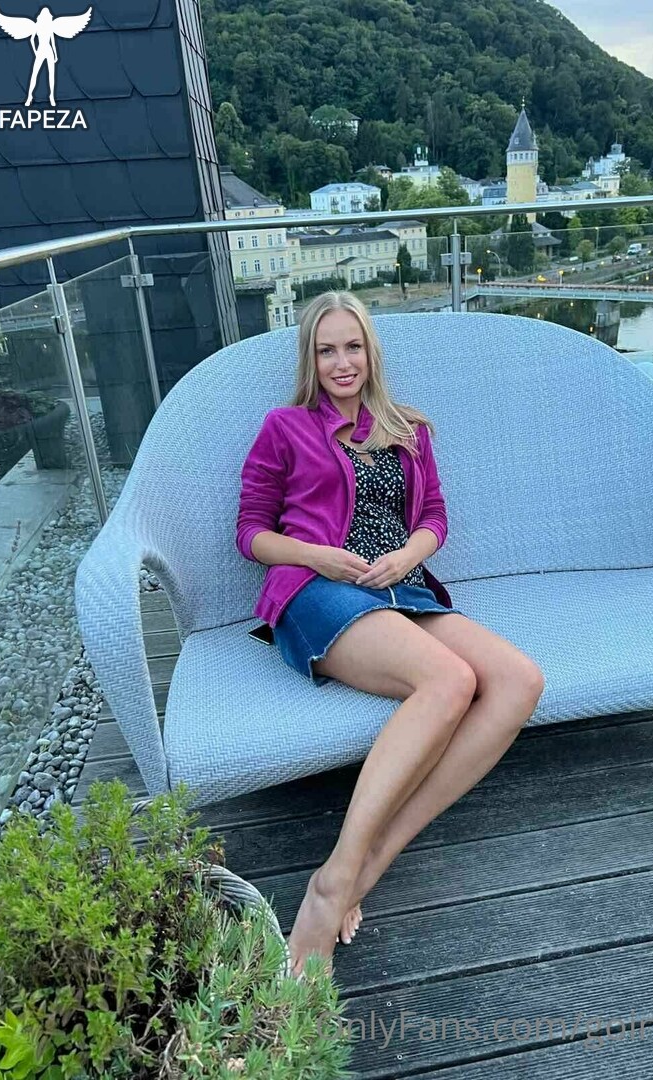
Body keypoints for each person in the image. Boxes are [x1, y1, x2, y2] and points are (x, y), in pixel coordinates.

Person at [235, 291, 545, 979]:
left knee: (519, 682)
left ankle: (368, 865)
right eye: (326, 350)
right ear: (311, 360)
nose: (341, 362)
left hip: (402, 589)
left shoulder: (408, 428)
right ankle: (330, 884)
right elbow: (250, 532)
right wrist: (317, 557)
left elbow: (434, 516)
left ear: (371, 352)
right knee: (449, 681)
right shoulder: (285, 427)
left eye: (353, 346)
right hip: (317, 592)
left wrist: (408, 556)